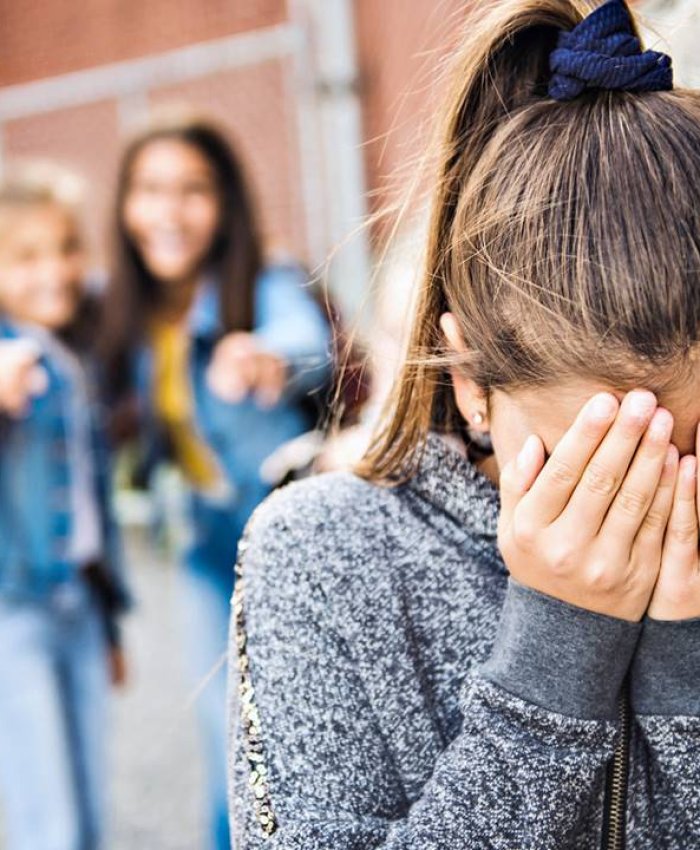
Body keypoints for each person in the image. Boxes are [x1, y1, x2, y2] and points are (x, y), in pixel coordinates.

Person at [227, 0, 700, 847]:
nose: (647, 506)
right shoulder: (321, 557)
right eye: (590, 466)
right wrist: (556, 659)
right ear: (470, 377)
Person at [101, 116, 331, 850]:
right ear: (126, 205)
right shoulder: (127, 306)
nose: (169, 212)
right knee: (225, 733)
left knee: (300, 738)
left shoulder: (263, 279)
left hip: (287, 548)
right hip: (204, 548)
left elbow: (308, 345)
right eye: (150, 190)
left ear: (225, 203)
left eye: (193, 190)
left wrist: (265, 357)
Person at [0, 169, 130, 850]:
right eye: (26, 257)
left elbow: (95, 503)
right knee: (49, 821)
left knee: (88, 814)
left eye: (66, 249)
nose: (53, 271)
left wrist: (111, 627)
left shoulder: (77, 353)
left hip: (82, 601)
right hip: (15, 611)